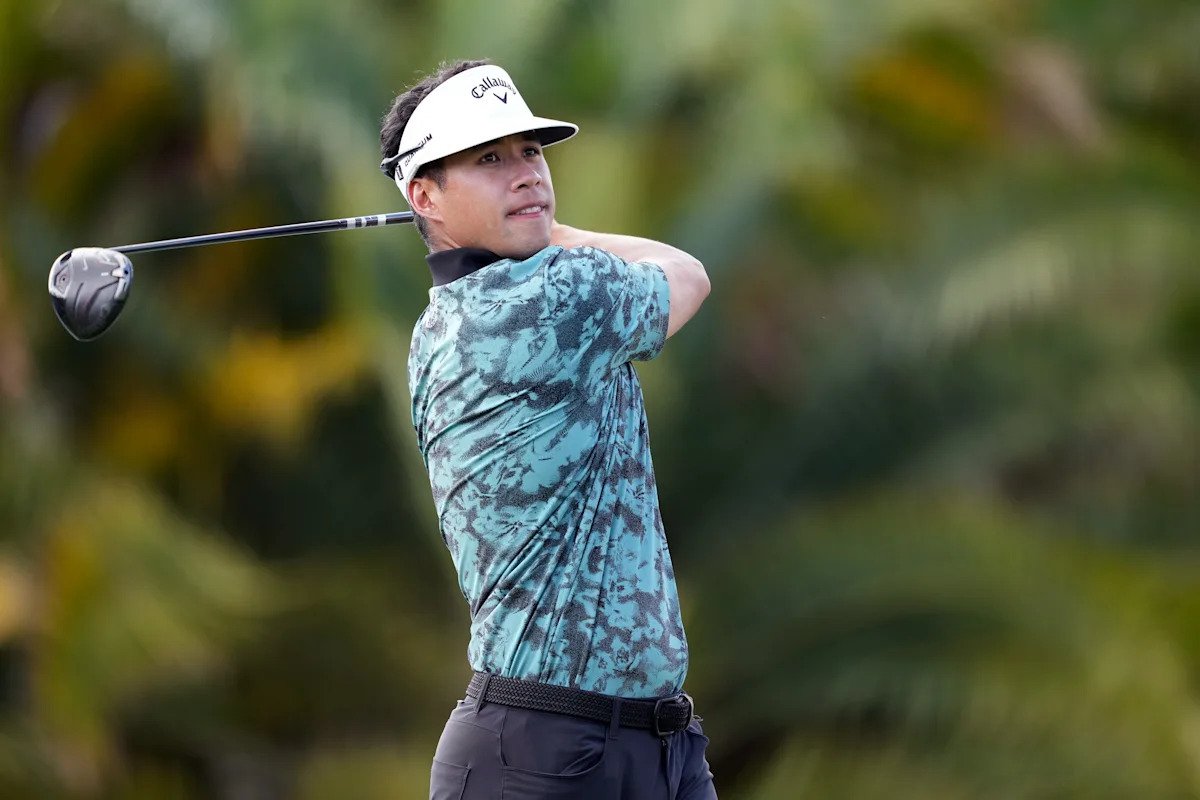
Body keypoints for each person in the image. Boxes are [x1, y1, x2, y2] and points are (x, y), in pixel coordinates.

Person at [379, 59, 714, 799]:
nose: (526, 172)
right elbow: (686, 274)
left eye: (530, 151)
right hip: (549, 756)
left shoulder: (436, 326)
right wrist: (555, 231)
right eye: (489, 159)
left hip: (648, 746)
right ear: (423, 194)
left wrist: (533, 227)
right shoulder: (557, 294)